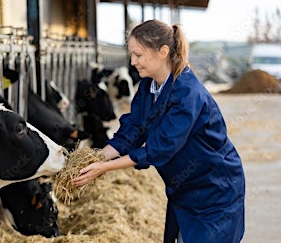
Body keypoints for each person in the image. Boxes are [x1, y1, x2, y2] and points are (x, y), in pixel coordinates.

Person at [72, 19, 245, 243]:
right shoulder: (148, 86)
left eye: (138, 55)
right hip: (183, 187)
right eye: (131, 55)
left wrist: (104, 167)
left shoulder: (187, 92)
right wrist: (95, 159)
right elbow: (132, 130)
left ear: (163, 52)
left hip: (214, 188)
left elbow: (159, 149)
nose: (133, 62)